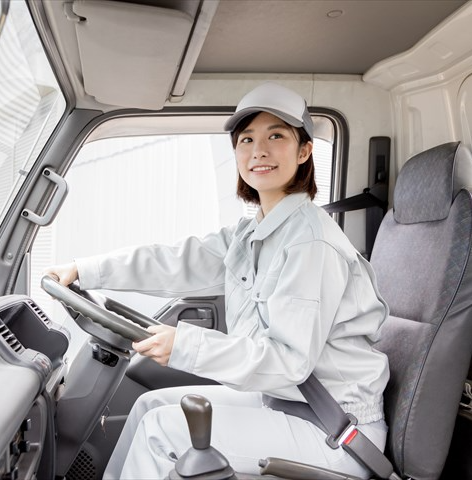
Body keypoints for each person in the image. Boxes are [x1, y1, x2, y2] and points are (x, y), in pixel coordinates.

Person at [44, 82, 390, 479]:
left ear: (304, 151)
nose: (258, 150)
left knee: (162, 432)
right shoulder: (254, 233)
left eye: (276, 135)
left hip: (333, 428)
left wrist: (185, 344)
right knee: (150, 407)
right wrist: (85, 269)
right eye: (246, 139)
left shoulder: (312, 242)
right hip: (285, 403)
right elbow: (175, 260)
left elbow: (287, 361)